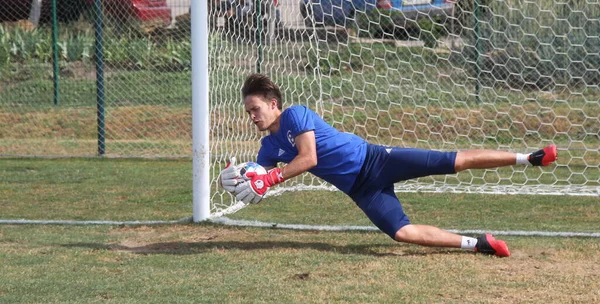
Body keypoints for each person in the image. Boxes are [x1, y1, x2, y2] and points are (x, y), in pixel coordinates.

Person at [222, 73, 559, 257]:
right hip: (361, 189)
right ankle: (479, 243)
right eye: (248, 111)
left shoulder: (296, 114)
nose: (252, 116)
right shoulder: (268, 147)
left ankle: (529, 157)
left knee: (452, 162)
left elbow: (308, 158)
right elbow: (259, 184)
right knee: (401, 233)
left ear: (273, 104)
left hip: (376, 160)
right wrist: (238, 181)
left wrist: (271, 177)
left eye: (255, 109)